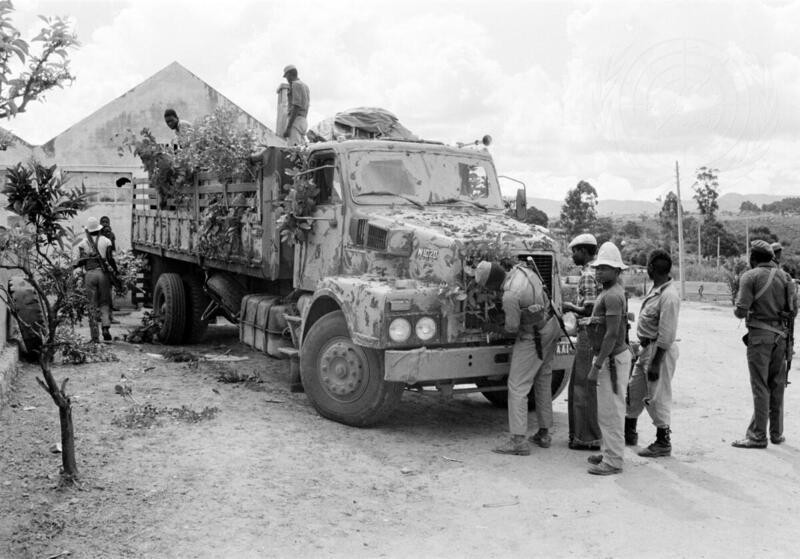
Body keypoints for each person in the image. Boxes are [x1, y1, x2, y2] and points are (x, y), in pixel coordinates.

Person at [474, 260, 560, 456]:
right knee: (543, 379)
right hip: (551, 326)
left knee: (517, 386)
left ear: (492, 283)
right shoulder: (522, 270)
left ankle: (518, 441)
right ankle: (544, 434)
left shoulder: (510, 295)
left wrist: (492, 328)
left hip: (534, 337)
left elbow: (512, 329)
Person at [731, 240, 797, 448]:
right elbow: (794, 310)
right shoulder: (786, 277)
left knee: (760, 385)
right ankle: (776, 433)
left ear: (753, 258)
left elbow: (741, 311)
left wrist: (740, 307)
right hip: (782, 337)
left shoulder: (750, 276)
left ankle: (758, 436)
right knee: (777, 385)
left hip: (760, 336)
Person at [625, 249, 680, 457]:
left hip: (659, 352)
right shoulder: (656, 288)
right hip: (646, 349)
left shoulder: (669, 296)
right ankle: (628, 432)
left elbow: (667, 334)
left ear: (650, 268)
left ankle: (663, 441)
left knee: (658, 396)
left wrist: (656, 363)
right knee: (635, 390)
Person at [584, 242, 632, 475]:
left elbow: (612, 334)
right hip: (611, 358)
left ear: (617, 271)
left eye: (605, 268)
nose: (599, 272)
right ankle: (609, 451)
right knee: (606, 410)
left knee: (611, 411)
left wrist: (597, 365)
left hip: (611, 360)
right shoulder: (609, 291)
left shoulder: (612, 295)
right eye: (598, 268)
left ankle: (613, 461)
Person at [562, 233, 602, 451]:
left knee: (581, 385)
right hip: (595, 333)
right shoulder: (598, 272)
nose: (573, 256)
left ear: (584, 252)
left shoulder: (587, 275)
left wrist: (569, 307)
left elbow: (589, 308)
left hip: (587, 332)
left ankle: (585, 437)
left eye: (575, 252)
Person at [75, 216, 118, 342]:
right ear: (99, 229)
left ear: (88, 230)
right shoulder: (106, 241)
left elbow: (80, 262)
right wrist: (116, 272)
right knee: (105, 302)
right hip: (103, 275)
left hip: (90, 275)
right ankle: (105, 328)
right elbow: (110, 259)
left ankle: (95, 336)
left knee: (92, 304)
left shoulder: (82, 243)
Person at [282, 64, 310, 146]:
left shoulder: (295, 84)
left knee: (293, 150)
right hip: (303, 120)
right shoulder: (305, 86)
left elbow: (296, 106)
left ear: (289, 74)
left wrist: (288, 127)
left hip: (296, 121)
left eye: (286, 76)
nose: (286, 79)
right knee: (301, 149)